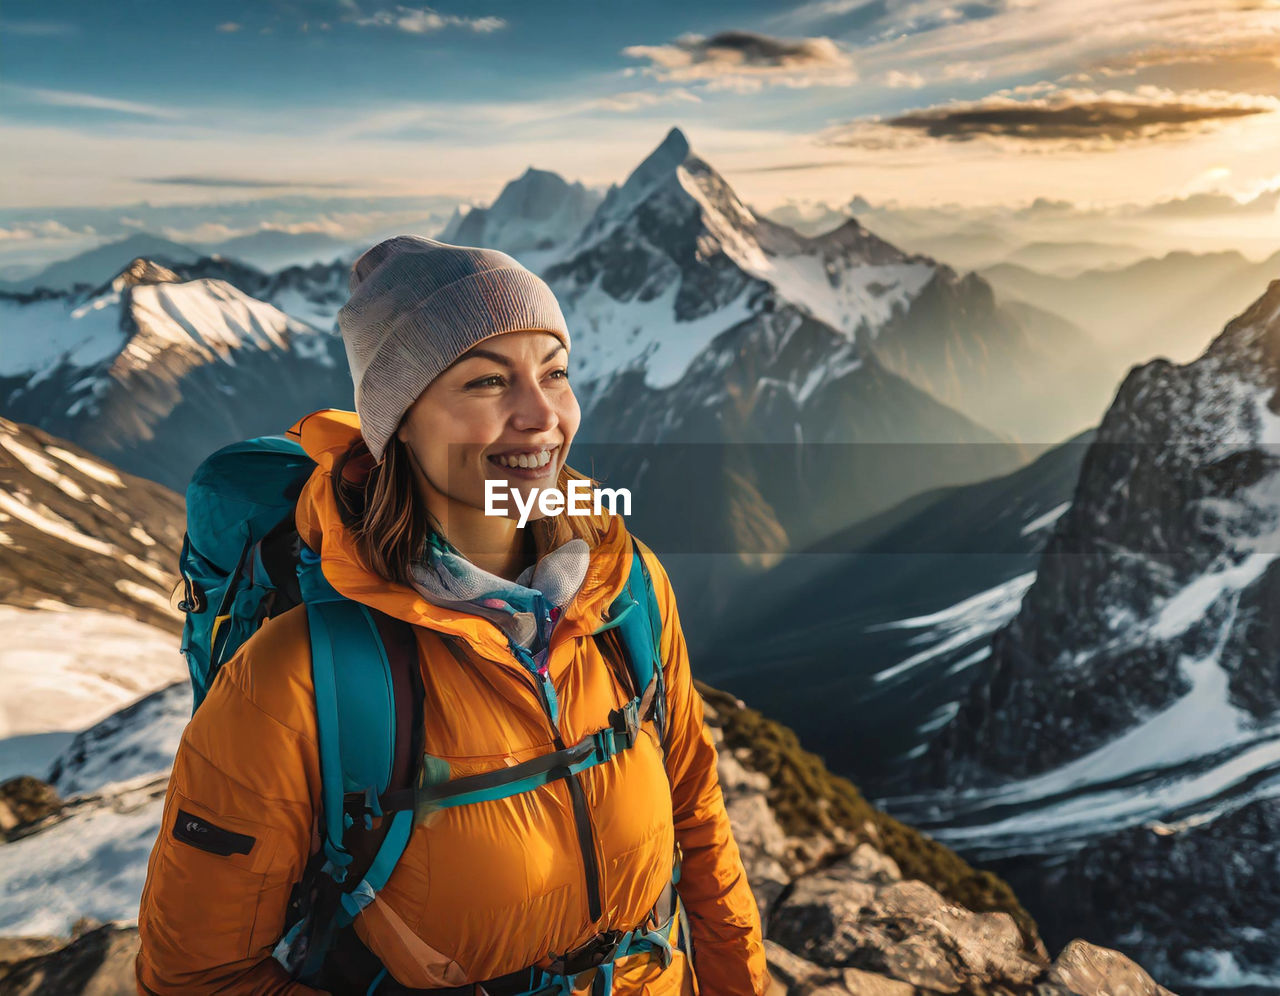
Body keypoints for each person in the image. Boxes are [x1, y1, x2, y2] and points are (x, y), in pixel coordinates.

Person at [135, 236, 769, 995]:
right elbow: (195, 979)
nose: (542, 416)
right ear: (399, 420)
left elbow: (697, 821)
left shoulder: (625, 588)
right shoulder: (297, 677)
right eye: (486, 382)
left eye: (555, 373)